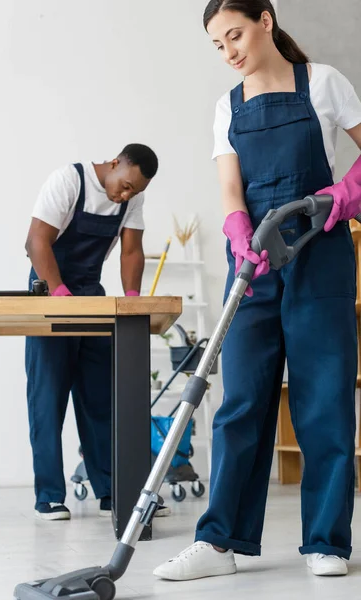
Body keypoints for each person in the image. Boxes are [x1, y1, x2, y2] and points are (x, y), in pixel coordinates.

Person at [154, 0, 361, 580]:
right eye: (219, 46)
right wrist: (236, 226)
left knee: (324, 399)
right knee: (240, 399)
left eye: (236, 35)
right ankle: (219, 542)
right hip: (253, 264)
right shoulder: (227, 107)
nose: (230, 52)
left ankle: (326, 542)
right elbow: (229, 187)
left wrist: (344, 195)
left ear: (266, 20)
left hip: (319, 257)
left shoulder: (322, 83)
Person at [25, 144, 169, 520]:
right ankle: (49, 497)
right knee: (48, 395)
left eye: (133, 191)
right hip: (48, 289)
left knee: (102, 398)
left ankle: (113, 492)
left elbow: (131, 251)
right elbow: (36, 242)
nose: (125, 195)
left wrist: (134, 300)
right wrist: (59, 295)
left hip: (90, 293)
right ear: (116, 162)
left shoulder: (132, 197)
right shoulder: (68, 181)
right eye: (124, 185)